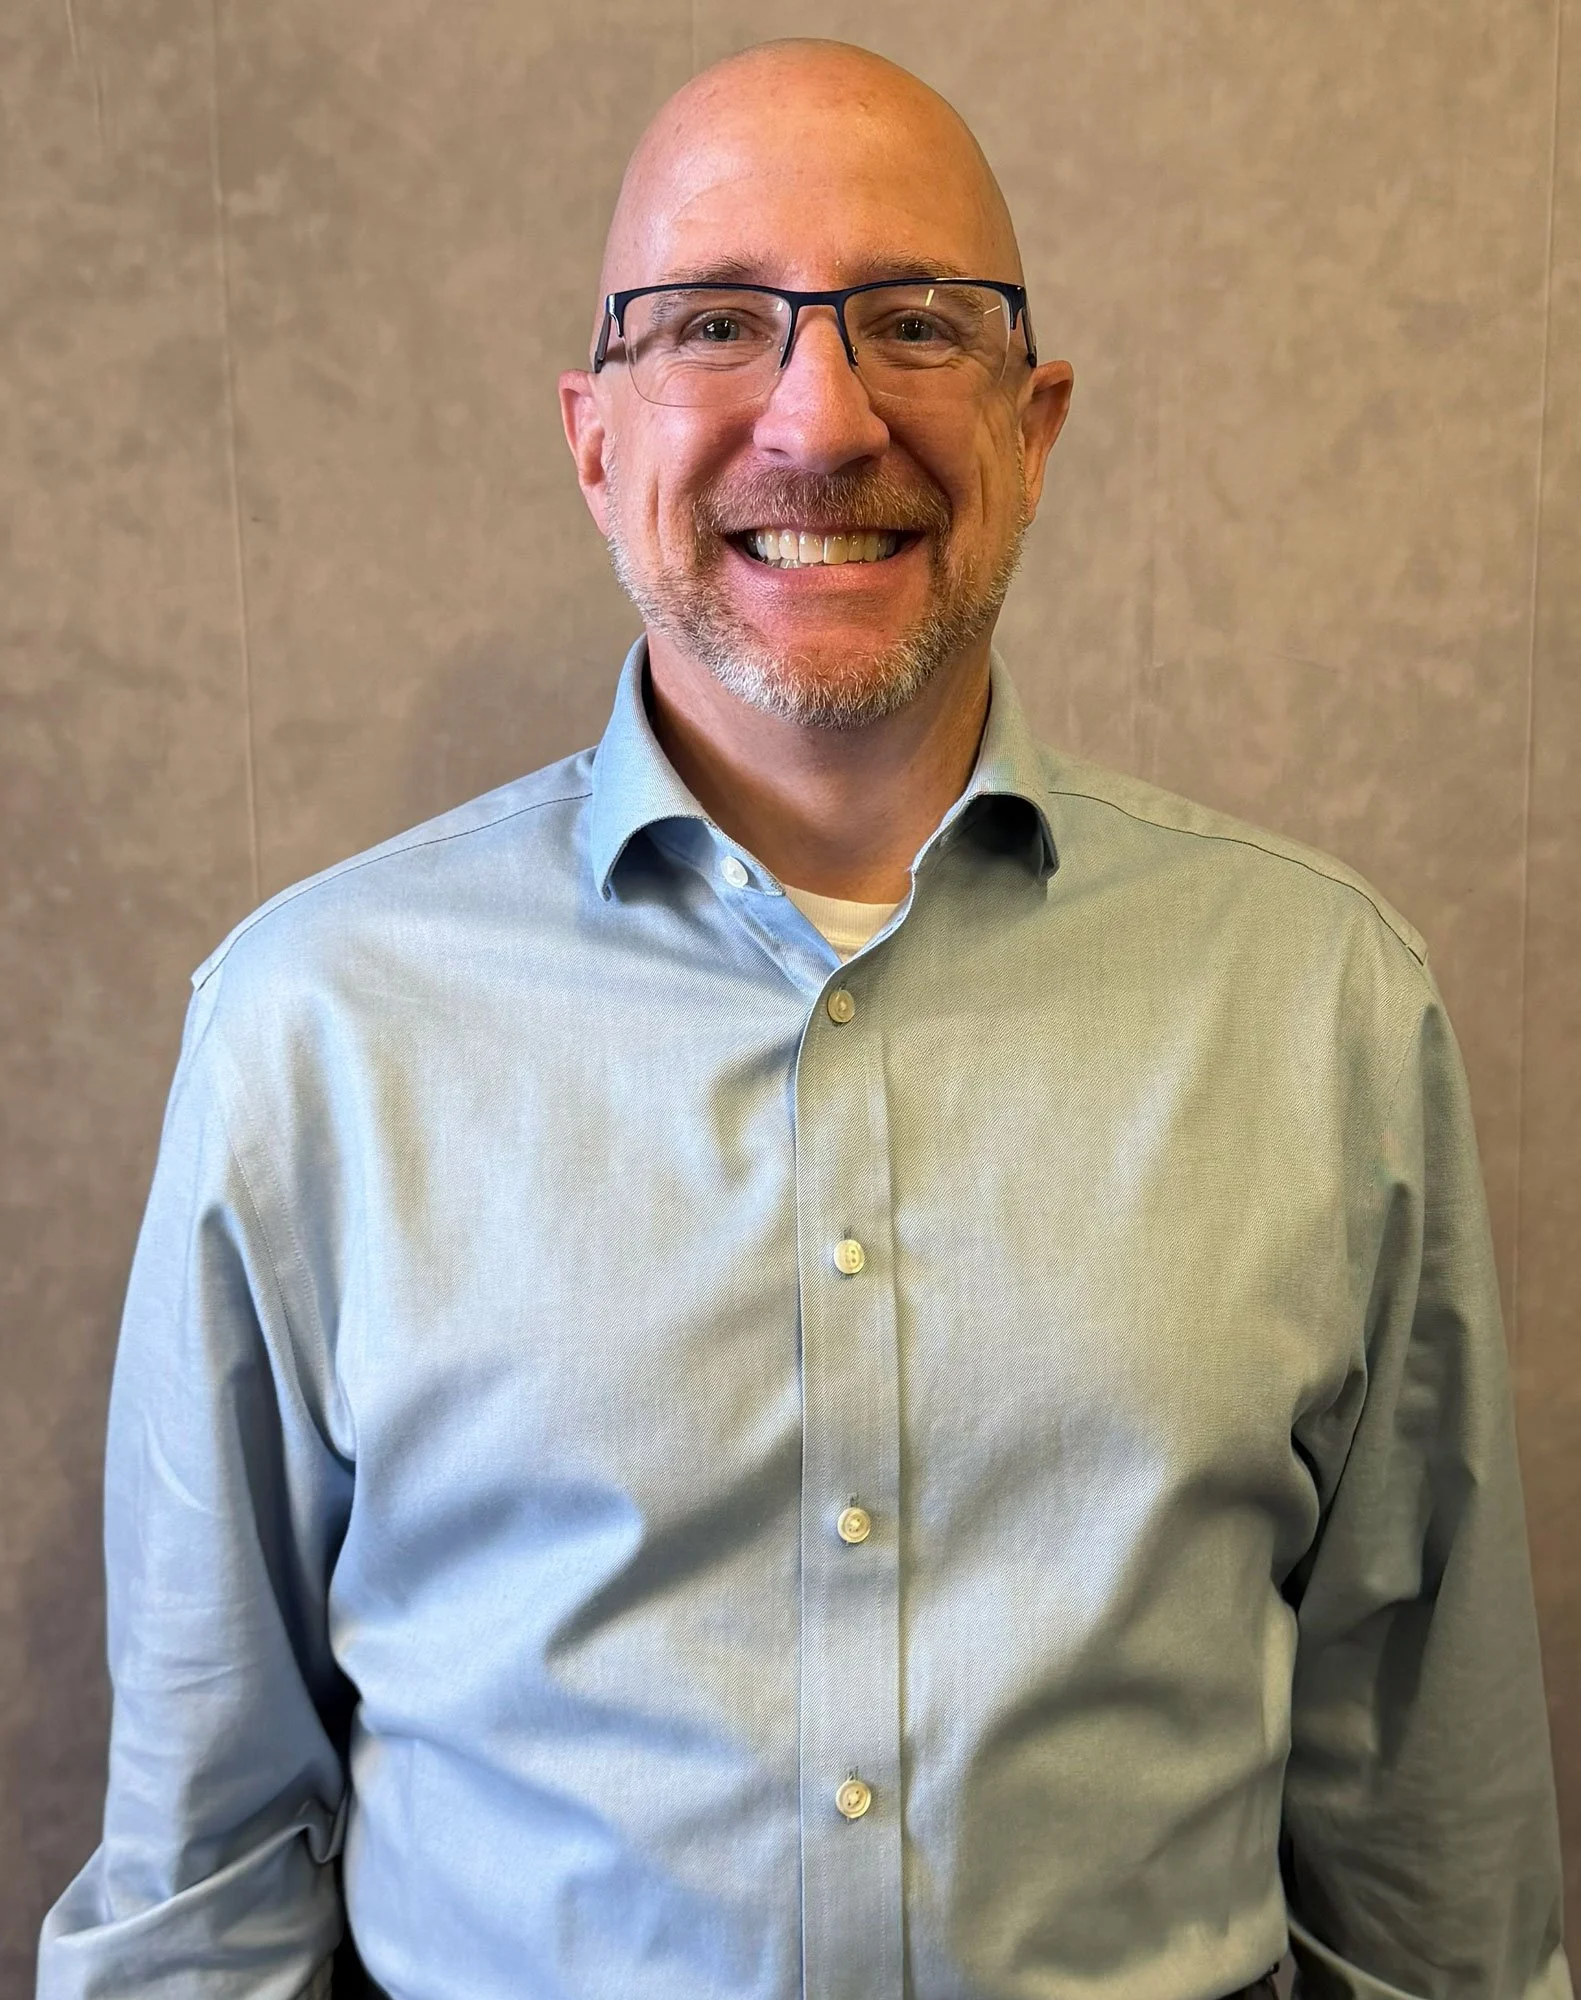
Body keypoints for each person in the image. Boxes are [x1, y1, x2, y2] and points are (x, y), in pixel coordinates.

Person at [37, 36, 1570, 2000]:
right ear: (595, 439)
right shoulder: (313, 1030)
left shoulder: (1322, 1004)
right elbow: (201, 1892)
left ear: (1037, 423)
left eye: (914, 322)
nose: (821, 415)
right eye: (714, 323)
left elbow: (1427, 1877)